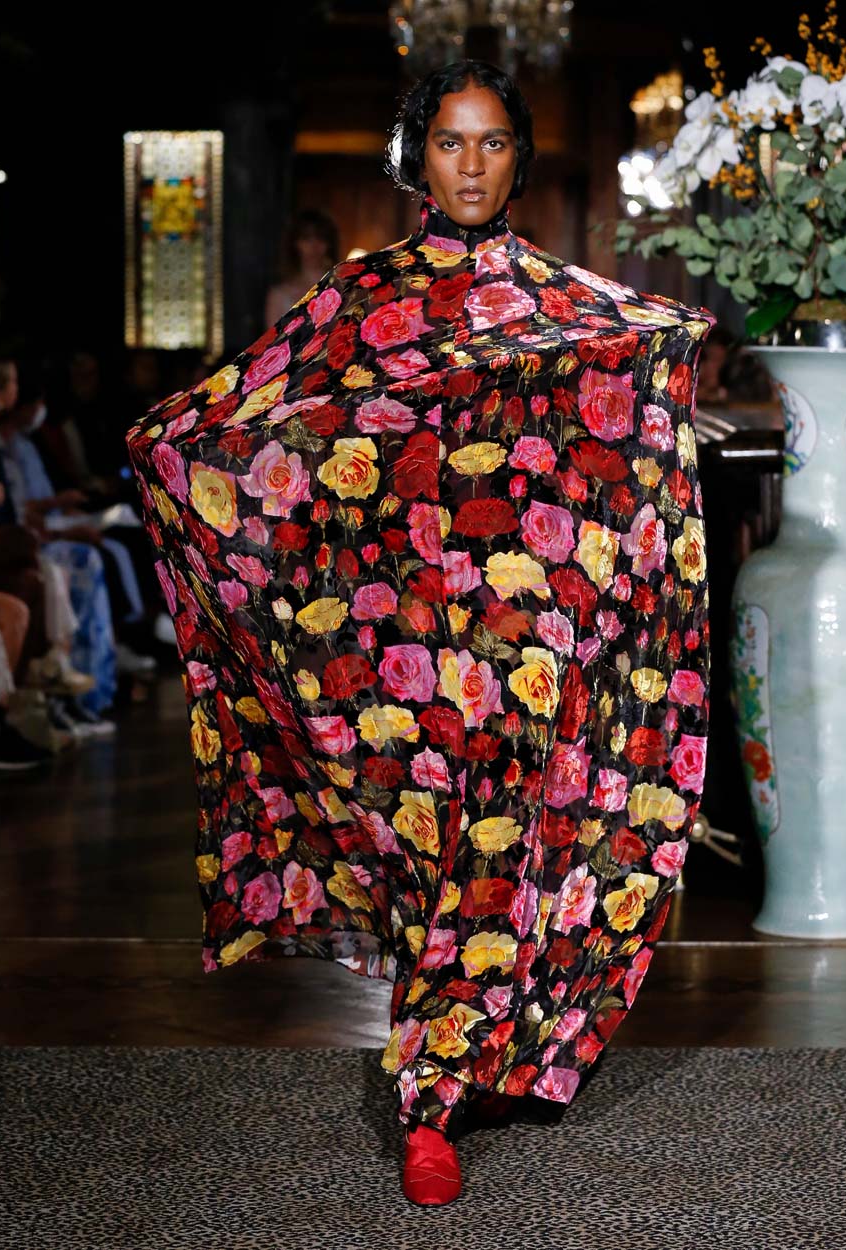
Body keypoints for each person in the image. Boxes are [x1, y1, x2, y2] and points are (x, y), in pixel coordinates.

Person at [126, 60, 714, 1206]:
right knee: (431, 858)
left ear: (519, 158)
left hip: (527, 644)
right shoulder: (361, 297)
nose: (471, 165)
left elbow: (617, 414)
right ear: (416, 156)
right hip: (403, 643)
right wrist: (168, 441)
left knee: (506, 849)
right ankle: (446, 1071)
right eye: (450, 142)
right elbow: (262, 406)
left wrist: (667, 345)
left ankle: (441, 1090)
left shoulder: (563, 301)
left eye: (492, 142)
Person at [263, 209, 339, 329]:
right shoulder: (279, 295)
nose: (314, 246)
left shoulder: (343, 288)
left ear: (329, 244)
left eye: (321, 238)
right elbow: (274, 339)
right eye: (306, 238)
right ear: (295, 243)